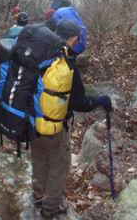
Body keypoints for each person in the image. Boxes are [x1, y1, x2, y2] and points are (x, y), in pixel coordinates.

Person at [31, 19, 112, 218]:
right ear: (73, 37)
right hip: (55, 126)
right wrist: (100, 100)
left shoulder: (38, 52)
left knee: (39, 158)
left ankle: (38, 195)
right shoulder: (67, 62)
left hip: (32, 121)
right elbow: (79, 102)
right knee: (59, 165)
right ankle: (51, 208)